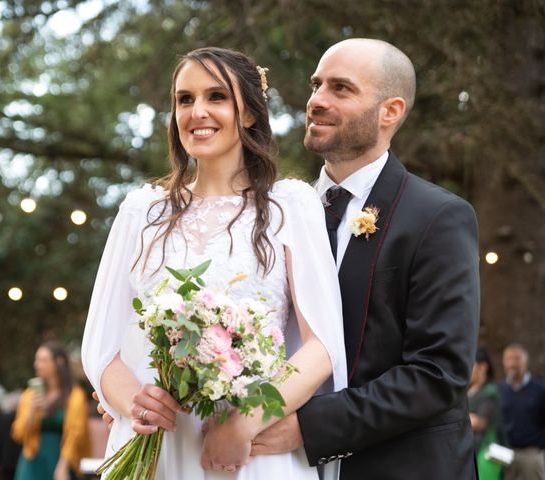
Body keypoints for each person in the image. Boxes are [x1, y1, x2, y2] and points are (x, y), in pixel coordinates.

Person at [82, 47, 347, 479]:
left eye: (216, 97)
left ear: (248, 114)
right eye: (184, 100)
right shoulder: (141, 212)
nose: (197, 112)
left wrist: (245, 423)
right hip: (160, 448)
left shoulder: (291, 206)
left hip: (251, 451)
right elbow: (100, 345)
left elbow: (322, 347)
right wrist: (135, 402)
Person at [236, 38, 480, 479]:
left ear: (391, 111)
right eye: (316, 85)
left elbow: (437, 373)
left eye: (341, 89)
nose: (316, 101)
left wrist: (309, 428)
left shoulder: (437, 217)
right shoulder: (276, 216)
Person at [12, 341, 90, 480]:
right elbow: (17, 434)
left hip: (62, 461)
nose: (36, 364)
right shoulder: (29, 395)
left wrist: (63, 466)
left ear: (59, 362)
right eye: (36, 360)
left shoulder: (75, 396)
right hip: (32, 463)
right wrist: (31, 412)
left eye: (42, 360)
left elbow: (76, 434)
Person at [499, 343, 545, 480]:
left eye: (517, 358)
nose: (513, 363)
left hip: (531, 454)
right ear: (503, 363)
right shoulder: (499, 390)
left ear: (526, 362)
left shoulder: (540, 389)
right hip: (505, 453)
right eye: (509, 359)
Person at [468, 348, 502, 480]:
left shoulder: (490, 391)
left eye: (471, 364)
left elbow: (480, 422)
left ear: (483, 367)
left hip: (486, 453)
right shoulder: (469, 390)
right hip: (471, 451)